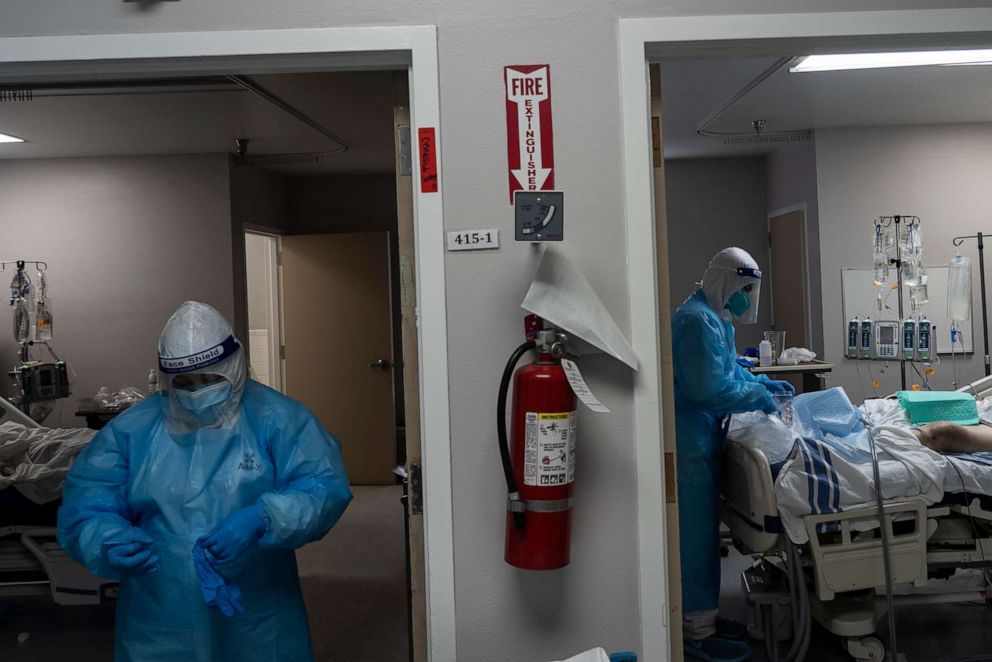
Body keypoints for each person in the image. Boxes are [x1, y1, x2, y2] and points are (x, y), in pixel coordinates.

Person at [57, 300, 352, 661]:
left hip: (256, 596)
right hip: (160, 602)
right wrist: (105, 539)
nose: (196, 392)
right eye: (184, 381)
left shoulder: (279, 418)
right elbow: (87, 502)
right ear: (166, 378)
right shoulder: (131, 431)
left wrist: (264, 517)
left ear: (234, 365)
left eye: (210, 379)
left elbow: (322, 486)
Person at [672, 247, 795, 662]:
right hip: (688, 439)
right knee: (694, 537)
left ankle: (703, 617)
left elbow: (728, 372)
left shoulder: (716, 318)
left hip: (705, 434)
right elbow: (706, 389)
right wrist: (758, 396)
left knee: (704, 535)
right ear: (725, 282)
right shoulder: (694, 321)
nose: (746, 298)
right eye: (743, 288)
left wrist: (762, 382)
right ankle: (695, 633)